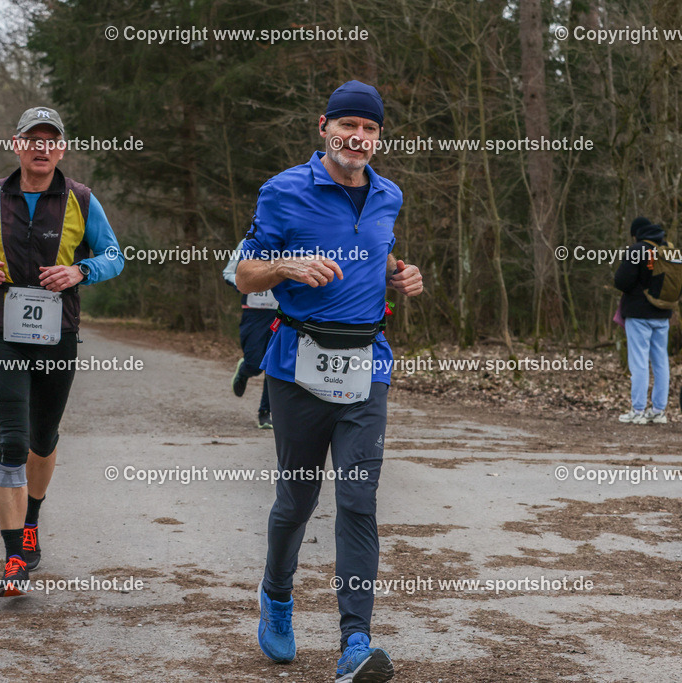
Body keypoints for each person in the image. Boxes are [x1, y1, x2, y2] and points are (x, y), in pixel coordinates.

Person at [236, 80, 422, 683]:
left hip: (366, 364)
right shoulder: (282, 190)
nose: (359, 138)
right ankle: (278, 597)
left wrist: (400, 273)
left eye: (369, 129)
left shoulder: (389, 195)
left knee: (358, 499)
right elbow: (243, 272)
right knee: (297, 498)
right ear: (324, 127)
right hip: (297, 366)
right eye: (349, 126)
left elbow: (377, 249)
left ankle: (355, 641)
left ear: (379, 137)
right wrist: (284, 265)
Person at [0, 106, 124, 597]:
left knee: (42, 437)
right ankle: (14, 556)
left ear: (62, 148)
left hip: (57, 332)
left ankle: (31, 518)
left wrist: (80, 272)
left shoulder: (81, 199)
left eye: (51, 140)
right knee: (11, 439)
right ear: (17, 144)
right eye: (34, 139)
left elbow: (113, 255)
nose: (42, 147)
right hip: (1, 327)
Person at [614, 216, 672, 424]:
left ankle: (637, 410)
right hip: (663, 314)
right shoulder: (668, 249)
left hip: (638, 314)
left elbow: (621, 281)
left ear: (637, 233)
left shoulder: (637, 250)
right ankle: (658, 410)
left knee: (638, 362)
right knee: (661, 362)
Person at [223, 239, 276, 429]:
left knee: (273, 364)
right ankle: (245, 370)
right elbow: (228, 273)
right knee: (256, 364)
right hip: (254, 313)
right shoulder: (248, 243)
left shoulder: (290, 242)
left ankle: (265, 413)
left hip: (280, 313)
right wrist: (243, 283)